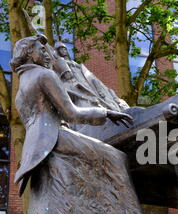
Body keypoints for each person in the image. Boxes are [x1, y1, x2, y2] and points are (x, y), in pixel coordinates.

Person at [10, 34, 133, 196]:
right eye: (42, 50)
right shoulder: (45, 75)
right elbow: (72, 114)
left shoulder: (19, 93)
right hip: (55, 139)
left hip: (33, 152)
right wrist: (107, 113)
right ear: (30, 54)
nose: (47, 53)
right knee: (117, 158)